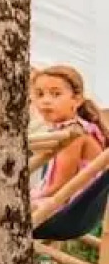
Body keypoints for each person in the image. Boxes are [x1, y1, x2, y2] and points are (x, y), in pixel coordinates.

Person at [31, 65, 107, 202]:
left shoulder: (73, 134)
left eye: (56, 94)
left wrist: (28, 198)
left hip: (72, 207)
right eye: (40, 94)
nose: (45, 101)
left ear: (77, 100)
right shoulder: (65, 129)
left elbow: (59, 185)